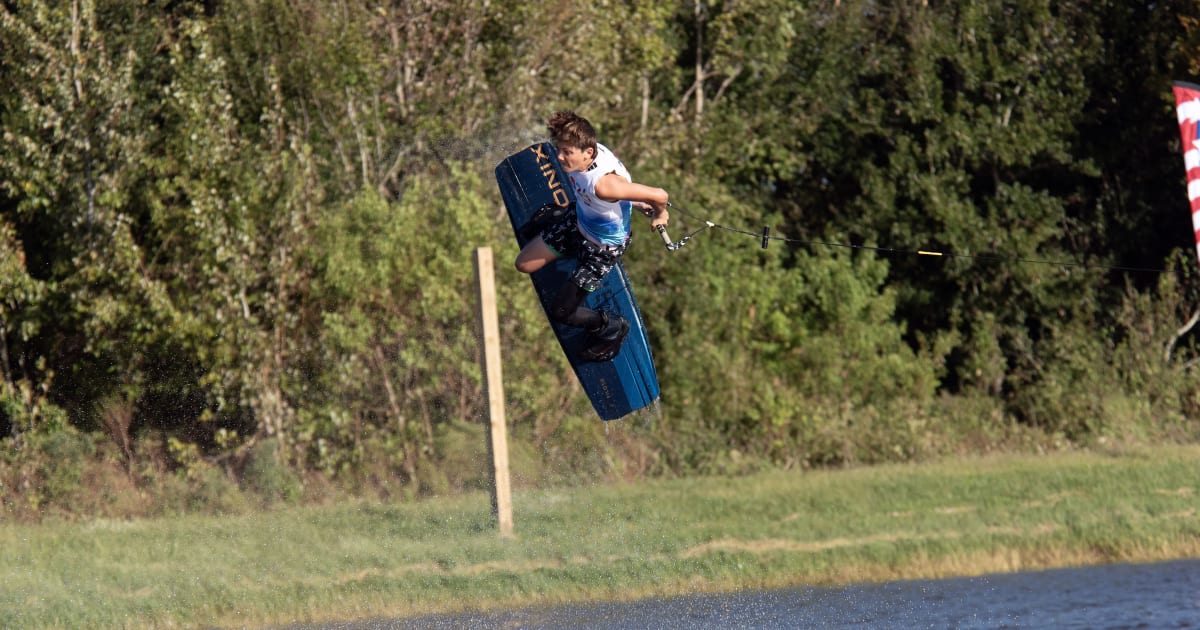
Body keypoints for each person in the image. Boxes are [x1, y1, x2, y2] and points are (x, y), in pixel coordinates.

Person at [514, 111, 670, 361]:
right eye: (559, 149)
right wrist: (636, 203)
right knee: (524, 264)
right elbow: (623, 185)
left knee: (562, 312)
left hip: (601, 251)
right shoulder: (588, 154)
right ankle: (561, 216)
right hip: (579, 223)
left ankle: (610, 327)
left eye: (567, 152)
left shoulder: (604, 185)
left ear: (588, 152)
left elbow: (660, 195)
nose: (560, 157)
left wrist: (659, 215)